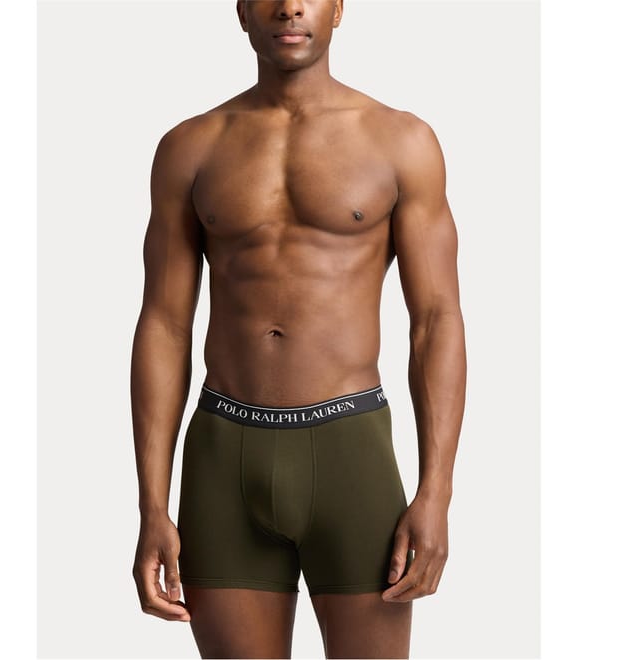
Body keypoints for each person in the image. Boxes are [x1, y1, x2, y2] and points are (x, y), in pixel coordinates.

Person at [130, 1, 466, 657]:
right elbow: (164, 324)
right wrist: (152, 505)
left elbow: (436, 320)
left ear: (338, 9)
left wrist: (437, 492)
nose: (289, 6)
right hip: (223, 455)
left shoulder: (400, 141)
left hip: (350, 450)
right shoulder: (191, 147)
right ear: (242, 11)